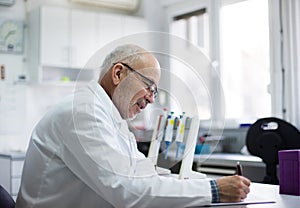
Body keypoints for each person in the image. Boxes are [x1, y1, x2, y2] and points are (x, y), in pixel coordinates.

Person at [15, 44, 250, 208]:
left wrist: (199, 182)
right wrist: (214, 190)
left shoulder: (111, 117)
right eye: (149, 86)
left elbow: (142, 171)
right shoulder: (83, 113)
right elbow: (127, 191)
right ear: (118, 73)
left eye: (154, 92)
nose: (151, 98)